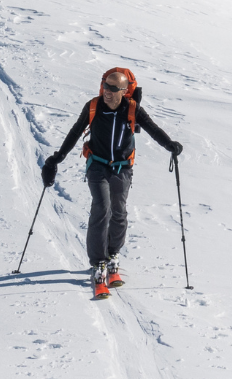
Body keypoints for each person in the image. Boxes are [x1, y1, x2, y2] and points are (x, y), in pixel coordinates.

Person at [40, 67, 183, 297]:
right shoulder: (93, 106)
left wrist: (170, 145)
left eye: (113, 88)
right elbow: (75, 133)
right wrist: (55, 160)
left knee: (119, 211)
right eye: (105, 85)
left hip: (122, 168)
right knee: (102, 208)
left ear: (124, 91)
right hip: (97, 165)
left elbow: (153, 129)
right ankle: (98, 264)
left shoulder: (132, 109)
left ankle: (113, 255)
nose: (107, 91)